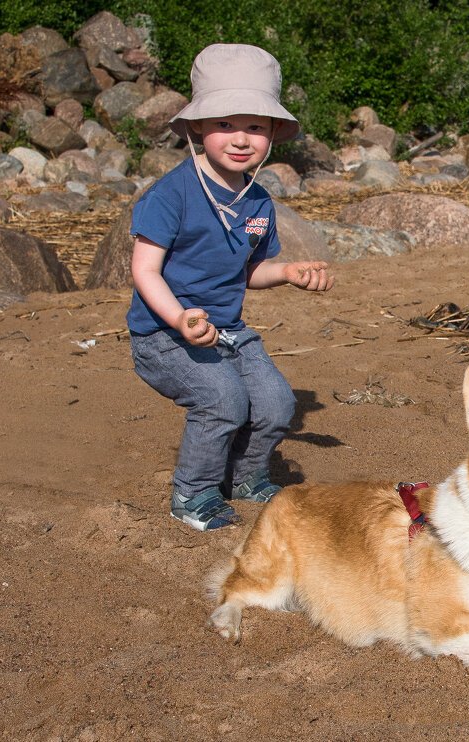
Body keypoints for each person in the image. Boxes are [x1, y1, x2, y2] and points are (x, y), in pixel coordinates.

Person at [126, 44, 334, 531]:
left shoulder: (257, 201)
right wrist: (179, 317)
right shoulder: (171, 195)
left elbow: (246, 273)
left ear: (273, 135)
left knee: (278, 403)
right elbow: (145, 271)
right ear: (198, 127)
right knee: (223, 400)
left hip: (227, 329)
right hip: (163, 334)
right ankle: (194, 493)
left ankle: (243, 476)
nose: (241, 139)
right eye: (225, 124)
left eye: (256, 127)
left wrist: (285, 273)